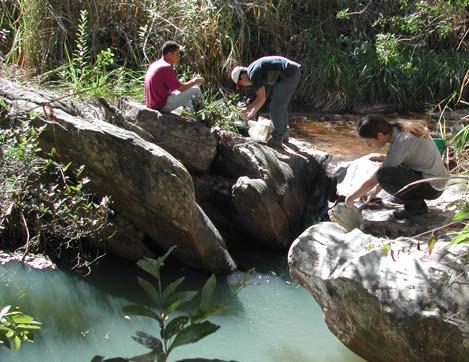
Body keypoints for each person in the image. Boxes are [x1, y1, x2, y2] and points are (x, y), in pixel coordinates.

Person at [345, 115, 449, 219]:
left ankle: (417, 209)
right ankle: (409, 199)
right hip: (435, 179)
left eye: (368, 141)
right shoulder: (400, 130)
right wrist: (373, 193)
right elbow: (392, 166)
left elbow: (378, 177)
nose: (368, 145)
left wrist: (350, 198)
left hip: (433, 187)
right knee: (386, 174)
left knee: (383, 175)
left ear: (380, 135)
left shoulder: (401, 142)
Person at [231, 56, 301, 147]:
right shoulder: (255, 71)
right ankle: (284, 135)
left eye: (241, 84)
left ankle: (277, 139)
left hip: (290, 74)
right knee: (280, 105)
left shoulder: (253, 73)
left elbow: (261, 98)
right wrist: (251, 112)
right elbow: (263, 98)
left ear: (242, 76)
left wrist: (246, 112)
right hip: (292, 72)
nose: (244, 86)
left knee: (276, 106)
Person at [144, 41, 203, 113]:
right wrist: (194, 81)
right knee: (196, 89)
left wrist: (190, 85)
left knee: (187, 91)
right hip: (161, 106)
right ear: (169, 54)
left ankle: (192, 113)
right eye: (177, 54)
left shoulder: (155, 64)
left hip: (152, 104)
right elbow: (181, 88)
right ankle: (204, 115)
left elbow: (176, 88)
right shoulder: (166, 67)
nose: (179, 56)